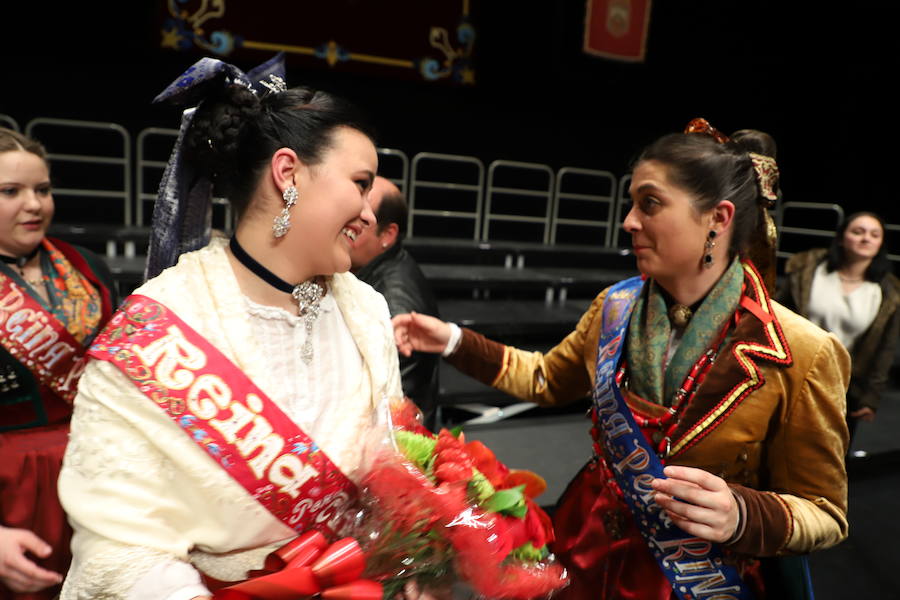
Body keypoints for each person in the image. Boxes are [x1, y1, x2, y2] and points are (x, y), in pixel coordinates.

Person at [393, 119, 850, 599]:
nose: (629, 221)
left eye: (649, 203)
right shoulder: (616, 305)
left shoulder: (803, 351)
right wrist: (453, 341)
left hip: (694, 581)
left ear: (718, 217)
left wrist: (744, 515)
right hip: (583, 551)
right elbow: (547, 379)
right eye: (631, 203)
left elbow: (826, 512)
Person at [56, 56, 409, 599]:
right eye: (361, 184)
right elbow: (119, 549)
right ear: (287, 172)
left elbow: (391, 468)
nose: (368, 210)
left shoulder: (366, 311)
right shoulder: (157, 327)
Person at [0, 128, 117, 599]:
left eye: (43, 189)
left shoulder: (86, 265)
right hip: (11, 494)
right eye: (11, 192)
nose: (35, 204)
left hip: (97, 477)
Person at [779, 211, 900, 447]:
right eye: (858, 232)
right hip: (792, 374)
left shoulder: (888, 292)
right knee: (780, 446)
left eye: (874, 234)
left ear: (880, 244)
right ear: (842, 238)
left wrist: (871, 397)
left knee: (826, 456)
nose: (866, 238)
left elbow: (885, 349)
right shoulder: (810, 269)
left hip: (843, 386)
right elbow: (778, 316)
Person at [349, 176, 440, 426]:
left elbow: (393, 413)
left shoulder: (393, 303)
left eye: (362, 217)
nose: (348, 223)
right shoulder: (370, 271)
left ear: (388, 234)